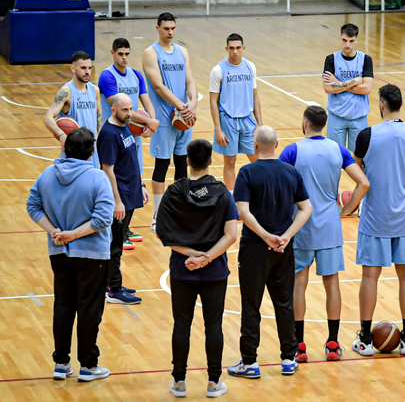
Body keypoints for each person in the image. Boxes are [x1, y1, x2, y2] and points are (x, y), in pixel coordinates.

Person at [279, 106, 369, 362]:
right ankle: (332, 344)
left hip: (301, 222)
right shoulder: (338, 150)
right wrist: (349, 209)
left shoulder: (292, 150)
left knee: (299, 284)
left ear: (305, 124)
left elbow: (281, 185)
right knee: (332, 284)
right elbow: (363, 183)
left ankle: (299, 346)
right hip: (330, 222)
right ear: (325, 125)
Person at [26, 128, 114, 382]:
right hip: (93, 255)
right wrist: (72, 235)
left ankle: (61, 363)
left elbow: (32, 205)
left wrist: (56, 232)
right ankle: (88, 365)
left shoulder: (47, 174)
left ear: (65, 148)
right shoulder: (98, 178)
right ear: (92, 151)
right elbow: (103, 219)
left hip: (59, 252)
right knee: (89, 309)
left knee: (64, 305)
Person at [228, 126, 312, 378]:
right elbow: (306, 209)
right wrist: (286, 235)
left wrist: (265, 235)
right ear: (276, 145)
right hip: (284, 249)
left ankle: (250, 363)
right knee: (284, 303)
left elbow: (242, 211)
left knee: (251, 305)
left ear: (254, 145)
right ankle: (288, 358)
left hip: (255, 248)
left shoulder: (247, 172)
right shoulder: (291, 171)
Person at [155, 139, 237, 398]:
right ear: (211, 160)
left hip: (182, 269)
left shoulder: (174, 191)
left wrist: (191, 255)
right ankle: (214, 382)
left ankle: (179, 382)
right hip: (214, 271)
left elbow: (162, 232)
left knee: (182, 324)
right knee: (213, 325)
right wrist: (207, 257)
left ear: (187, 161)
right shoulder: (223, 192)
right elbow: (231, 235)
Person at [352, 84, 405, 357]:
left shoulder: (366, 135)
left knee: (370, 277)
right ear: (400, 105)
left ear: (381, 104)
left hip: (375, 217)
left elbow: (357, 170)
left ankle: (365, 339)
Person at [98, 37, 160, 250]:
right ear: (113, 53)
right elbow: (122, 108)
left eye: (127, 54)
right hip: (115, 135)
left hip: (133, 136)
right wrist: (150, 121)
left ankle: (127, 226)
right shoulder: (107, 76)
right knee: (118, 180)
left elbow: (147, 101)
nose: (124, 58)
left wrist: (151, 123)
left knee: (134, 178)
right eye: (120, 54)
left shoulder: (136, 75)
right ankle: (117, 230)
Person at [142, 12, 198, 230]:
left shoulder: (182, 51)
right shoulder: (150, 53)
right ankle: (157, 214)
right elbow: (158, 86)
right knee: (162, 165)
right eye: (166, 28)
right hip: (166, 119)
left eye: (173, 28)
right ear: (158, 28)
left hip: (183, 118)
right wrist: (182, 106)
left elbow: (190, 80)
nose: (170, 32)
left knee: (182, 164)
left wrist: (192, 102)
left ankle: (181, 210)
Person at [97, 94, 150, 305]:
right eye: (125, 110)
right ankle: (112, 289)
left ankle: (114, 282)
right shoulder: (109, 134)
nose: (130, 114)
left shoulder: (124, 126)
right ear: (113, 110)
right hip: (121, 198)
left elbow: (130, 159)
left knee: (117, 242)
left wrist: (141, 185)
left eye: (131, 109)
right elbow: (108, 171)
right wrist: (117, 202)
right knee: (115, 244)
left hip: (131, 192)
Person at [210, 33, 263, 190]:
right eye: (231, 48)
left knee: (257, 160)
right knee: (230, 162)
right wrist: (218, 129)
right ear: (226, 48)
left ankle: (260, 195)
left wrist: (260, 123)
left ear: (243, 48)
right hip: (228, 121)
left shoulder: (250, 67)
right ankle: (232, 199)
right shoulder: (218, 70)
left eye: (238, 48)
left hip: (248, 121)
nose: (235, 51)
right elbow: (213, 101)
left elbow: (255, 97)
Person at [44, 51, 102, 169]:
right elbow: (48, 118)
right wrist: (61, 135)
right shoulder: (66, 92)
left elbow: (99, 115)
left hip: (91, 151)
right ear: (73, 69)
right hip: (73, 152)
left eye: (89, 68)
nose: (87, 72)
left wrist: (100, 138)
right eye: (83, 68)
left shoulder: (94, 90)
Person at [322, 23, 373, 150]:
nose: (347, 45)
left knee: (359, 159)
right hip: (336, 116)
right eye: (344, 40)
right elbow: (328, 88)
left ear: (356, 40)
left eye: (351, 41)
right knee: (334, 157)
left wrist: (338, 84)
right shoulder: (331, 59)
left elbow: (366, 89)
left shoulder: (366, 59)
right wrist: (356, 81)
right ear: (340, 39)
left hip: (359, 117)